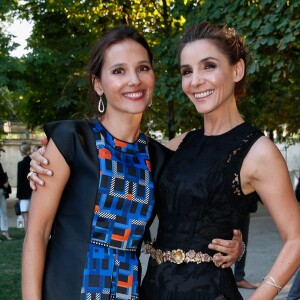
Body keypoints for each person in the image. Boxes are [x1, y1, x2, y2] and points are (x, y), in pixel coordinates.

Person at [23, 25, 243, 300]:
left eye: (142, 68)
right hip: (65, 289)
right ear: (98, 83)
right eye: (118, 71)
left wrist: (237, 244)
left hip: (128, 292)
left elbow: (195, 213)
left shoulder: (160, 158)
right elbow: (37, 234)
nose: (134, 80)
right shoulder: (72, 140)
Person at [144, 22, 300, 299]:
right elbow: (118, 168)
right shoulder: (181, 143)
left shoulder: (259, 152)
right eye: (187, 71)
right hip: (154, 289)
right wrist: (54, 155)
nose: (195, 81)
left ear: (236, 70)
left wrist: (262, 296)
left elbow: (296, 238)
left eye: (209, 66)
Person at [16, 142, 32, 232]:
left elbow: (20, 181)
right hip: (34, 192)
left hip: (24, 195)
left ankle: (28, 235)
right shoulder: (32, 162)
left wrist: (18, 196)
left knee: (25, 215)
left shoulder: (21, 164)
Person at [0, 153, 12, 241]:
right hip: (1, 188)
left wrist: (6, 182)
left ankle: (5, 231)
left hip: (1, 190)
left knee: (3, 211)